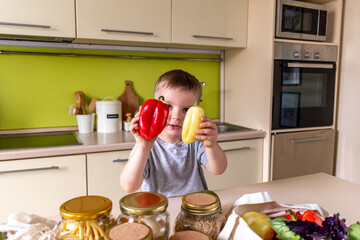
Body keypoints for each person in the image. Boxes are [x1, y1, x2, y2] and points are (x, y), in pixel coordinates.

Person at [120, 69, 227, 197]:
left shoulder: (196, 141)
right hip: (160, 212)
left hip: (193, 209)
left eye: (186, 109)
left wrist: (212, 145)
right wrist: (143, 147)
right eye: (169, 106)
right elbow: (129, 186)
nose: (176, 116)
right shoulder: (146, 146)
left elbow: (218, 169)